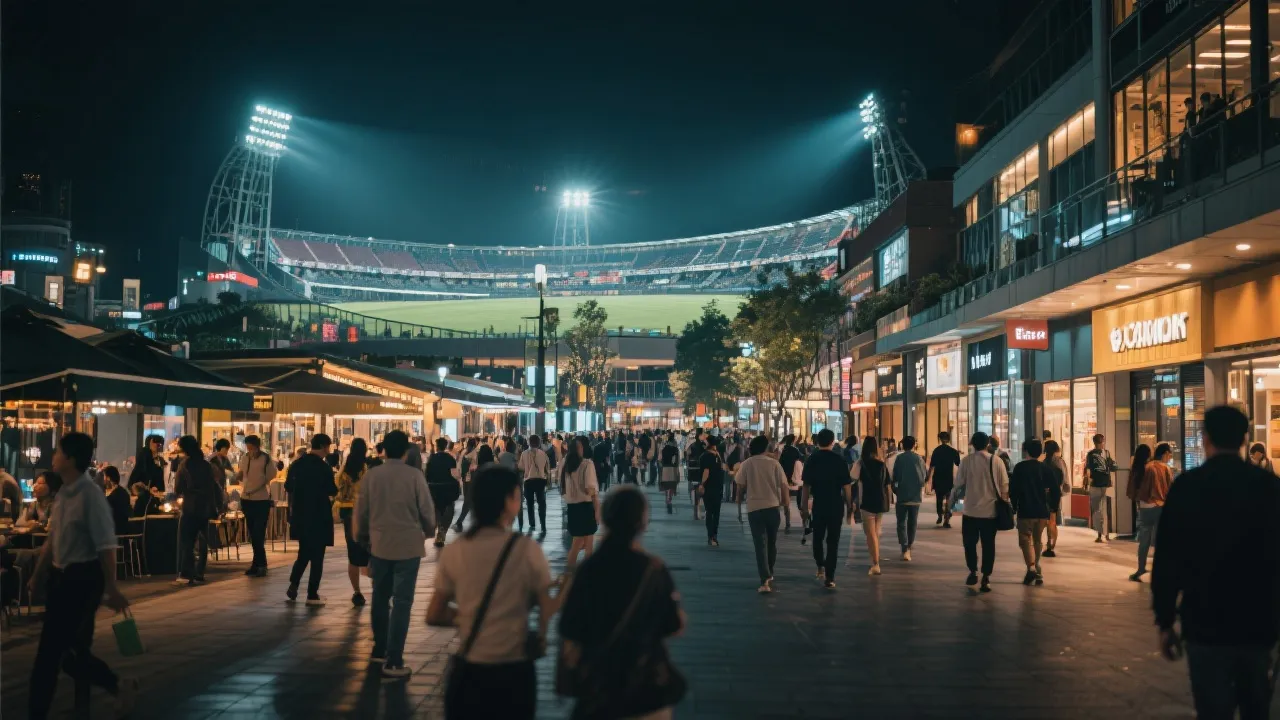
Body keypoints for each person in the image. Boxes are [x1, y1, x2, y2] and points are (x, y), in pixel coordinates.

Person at [1152, 406, 1280, 720]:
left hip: (1205, 618)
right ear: (1244, 439)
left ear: (1205, 437)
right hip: (1258, 619)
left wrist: (1165, 620)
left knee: (1211, 706)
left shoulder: (1188, 486)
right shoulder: (1268, 487)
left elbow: (1167, 558)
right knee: (1256, 705)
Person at [428, 465, 560, 719]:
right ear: (509, 500)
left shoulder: (456, 550)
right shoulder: (526, 549)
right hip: (514, 670)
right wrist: (564, 593)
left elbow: (434, 614)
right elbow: (547, 609)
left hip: (470, 669)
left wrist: (468, 615)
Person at [27, 432, 137, 720]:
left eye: (58, 452)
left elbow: (106, 545)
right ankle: (115, 686)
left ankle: (40, 711)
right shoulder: (63, 493)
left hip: (84, 579)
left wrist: (112, 588)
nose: (53, 457)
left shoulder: (91, 497)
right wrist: (39, 575)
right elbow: (53, 539)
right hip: (61, 577)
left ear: (71, 459)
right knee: (68, 655)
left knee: (53, 655)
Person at [558, 485, 687, 718]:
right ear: (642, 523)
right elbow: (673, 625)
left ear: (606, 519)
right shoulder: (653, 569)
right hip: (646, 690)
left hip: (599, 688)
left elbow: (569, 627)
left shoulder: (588, 570)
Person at [354, 430, 436, 680]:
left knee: (380, 597)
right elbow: (426, 510)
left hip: (380, 544)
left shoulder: (372, 475)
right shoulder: (414, 476)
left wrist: (362, 537)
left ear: (384, 450)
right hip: (408, 545)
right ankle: (395, 658)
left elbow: (362, 510)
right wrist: (429, 530)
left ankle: (379, 648)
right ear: (405, 451)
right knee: (402, 601)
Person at [284, 433, 338, 606]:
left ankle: (294, 583)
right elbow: (332, 490)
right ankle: (312, 594)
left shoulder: (297, 464)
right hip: (319, 515)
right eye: (328, 447)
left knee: (304, 552)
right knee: (317, 557)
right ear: (323, 446)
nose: (328, 451)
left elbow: (288, 486)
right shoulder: (324, 468)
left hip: (300, 514)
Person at [953, 431, 1009, 592]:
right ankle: (986, 577)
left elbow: (958, 485)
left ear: (972, 444)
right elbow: (1004, 485)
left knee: (969, 543)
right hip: (990, 512)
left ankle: (973, 570)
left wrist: (951, 503)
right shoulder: (996, 461)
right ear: (987, 444)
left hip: (970, 510)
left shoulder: (966, 461)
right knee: (988, 545)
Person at [735, 435, 789, 593]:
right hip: (772, 507)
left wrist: (739, 508)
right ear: (766, 448)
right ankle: (769, 571)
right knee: (771, 542)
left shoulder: (747, 464)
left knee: (760, 544)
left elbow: (740, 487)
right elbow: (784, 485)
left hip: (754, 508)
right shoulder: (774, 464)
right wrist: (785, 502)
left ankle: (764, 579)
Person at [802, 429, 852, 588]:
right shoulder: (839, 459)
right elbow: (846, 486)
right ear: (832, 441)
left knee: (818, 537)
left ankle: (820, 565)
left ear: (817, 442)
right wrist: (850, 505)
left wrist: (804, 507)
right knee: (833, 540)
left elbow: (806, 486)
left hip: (819, 503)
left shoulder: (812, 459)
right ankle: (830, 577)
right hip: (835, 504)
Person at [1008, 439, 1059, 586]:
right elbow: (1055, 490)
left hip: (1025, 509)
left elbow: (1014, 490)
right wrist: (1053, 508)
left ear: (1026, 451)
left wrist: (1014, 506)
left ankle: (1031, 567)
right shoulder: (1045, 469)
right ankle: (1037, 568)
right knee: (1037, 540)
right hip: (1042, 511)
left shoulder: (1020, 468)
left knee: (1025, 539)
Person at [173, 435, 223, 587]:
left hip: (190, 506)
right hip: (205, 507)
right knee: (202, 541)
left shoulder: (185, 465)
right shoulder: (206, 465)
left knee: (187, 541)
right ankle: (200, 571)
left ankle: (187, 572)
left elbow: (178, 488)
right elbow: (212, 487)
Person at [335, 438, 371, 606]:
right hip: (364, 512)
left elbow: (337, 486)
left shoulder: (344, 470)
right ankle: (377, 589)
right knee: (371, 551)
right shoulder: (366, 468)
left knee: (353, 553)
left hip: (347, 512)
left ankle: (357, 591)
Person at [1130, 443, 1172, 582]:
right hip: (1160, 506)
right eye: (1169, 454)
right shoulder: (1165, 468)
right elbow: (1170, 488)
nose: (1170, 457)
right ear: (1165, 454)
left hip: (1145, 507)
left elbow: (1137, 489)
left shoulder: (1146, 467)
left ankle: (1140, 568)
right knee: (1160, 540)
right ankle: (1161, 571)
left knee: (1144, 539)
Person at [237, 435, 276, 577]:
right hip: (246, 498)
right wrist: (237, 476)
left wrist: (258, 485)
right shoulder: (245, 458)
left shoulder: (265, 459)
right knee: (253, 534)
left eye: (251, 446)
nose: (249, 449)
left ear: (257, 445)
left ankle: (262, 564)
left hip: (261, 499)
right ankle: (256, 564)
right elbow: (242, 474)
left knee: (258, 533)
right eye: (247, 446)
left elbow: (270, 476)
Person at [852, 435, 890, 575]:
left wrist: (851, 502)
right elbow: (887, 485)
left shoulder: (860, 463)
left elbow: (851, 480)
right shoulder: (881, 464)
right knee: (875, 533)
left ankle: (876, 563)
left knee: (871, 534)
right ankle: (874, 559)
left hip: (866, 501)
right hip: (880, 501)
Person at [561, 436, 601, 570]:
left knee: (577, 543)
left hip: (572, 508)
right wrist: (597, 509)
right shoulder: (587, 464)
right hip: (585, 508)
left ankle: (570, 573)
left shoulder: (564, 464)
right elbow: (590, 489)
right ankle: (586, 575)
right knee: (587, 545)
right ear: (580, 449)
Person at [891, 436, 926, 562]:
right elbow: (923, 477)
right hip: (915, 495)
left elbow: (895, 476)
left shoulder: (899, 458)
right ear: (914, 445)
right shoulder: (919, 459)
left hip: (902, 495)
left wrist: (895, 489)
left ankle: (904, 548)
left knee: (901, 522)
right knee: (912, 522)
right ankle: (909, 546)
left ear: (902, 445)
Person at [426, 438, 462, 548]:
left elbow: (428, 474)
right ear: (446, 446)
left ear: (437, 446)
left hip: (435, 488)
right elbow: (455, 474)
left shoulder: (432, 459)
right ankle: (443, 531)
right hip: (448, 487)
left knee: (437, 508)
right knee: (449, 508)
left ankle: (439, 527)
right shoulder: (450, 458)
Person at [1084, 433, 1117, 542]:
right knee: (1098, 510)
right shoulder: (1091, 454)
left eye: (1102, 442)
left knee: (1103, 510)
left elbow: (1113, 466)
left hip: (1104, 484)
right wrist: (1087, 480)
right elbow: (1088, 469)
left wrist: (1112, 465)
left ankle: (1105, 534)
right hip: (1097, 484)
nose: (1101, 444)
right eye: (1100, 442)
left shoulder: (1106, 453)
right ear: (1096, 443)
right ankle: (1100, 534)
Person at [517, 434, 551, 536]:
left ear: (529, 442)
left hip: (529, 481)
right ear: (538, 443)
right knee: (542, 503)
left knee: (530, 503)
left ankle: (532, 523)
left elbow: (521, 467)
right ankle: (543, 524)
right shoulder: (543, 454)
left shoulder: (524, 454)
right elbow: (547, 469)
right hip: (540, 481)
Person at [926, 431, 961, 528]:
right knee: (949, 499)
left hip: (938, 478)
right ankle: (947, 519)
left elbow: (932, 466)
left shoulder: (936, 451)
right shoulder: (953, 451)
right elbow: (959, 465)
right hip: (948, 478)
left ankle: (939, 515)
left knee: (939, 498)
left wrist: (927, 478)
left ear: (940, 439)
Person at [697, 435, 726, 546]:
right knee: (716, 512)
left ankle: (710, 536)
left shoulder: (705, 456)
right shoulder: (718, 455)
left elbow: (706, 471)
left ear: (708, 443)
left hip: (709, 487)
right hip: (718, 487)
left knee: (709, 512)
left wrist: (702, 484)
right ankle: (715, 535)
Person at [1042, 440, 1069, 557]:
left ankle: (1048, 543)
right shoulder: (1060, 462)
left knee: (1047, 520)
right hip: (1055, 492)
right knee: (1052, 520)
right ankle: (1051, 546)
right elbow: (1065, 479)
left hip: (1045, 493)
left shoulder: (1043, 463)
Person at [779, 435, 802, 534]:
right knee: (800, 501)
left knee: (786, 503)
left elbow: (780, 465)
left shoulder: (783, 451)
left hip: (784, 479)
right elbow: (800, 462)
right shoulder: (795, 451)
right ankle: (804, 522)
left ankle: (788, 523)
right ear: (793, 440)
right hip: (794, 479)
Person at [101, 466, 132, 536]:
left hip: (115, 534)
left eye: (104, 476)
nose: (103, 479)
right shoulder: (124, 492)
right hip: (125, 532)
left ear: (108, 478)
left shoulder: (113, 497)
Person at [685, 429, 705, 520]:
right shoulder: (703, 446)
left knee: (695, 491)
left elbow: (687, 456)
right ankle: (700, 512)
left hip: (693, 471)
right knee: (701, 492)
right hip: (701, 471)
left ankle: (695, 512)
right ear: (700, 435)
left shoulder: (691, 445)